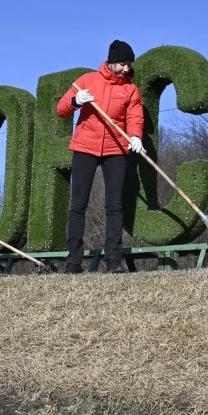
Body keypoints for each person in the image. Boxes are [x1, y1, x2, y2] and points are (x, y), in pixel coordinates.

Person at [56, 40, 145, 274]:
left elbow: (135, 117)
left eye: (129, 64)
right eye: (123, 64)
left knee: (114, 206)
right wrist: (76, 101)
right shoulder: (87, 80)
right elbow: (61, 109)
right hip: (85, 147)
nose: (127, 68)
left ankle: (114, 261)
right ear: (111, 62)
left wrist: (135, 136)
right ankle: (73, 262)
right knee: (78, 206)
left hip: (116, 150)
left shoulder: (131, 90)